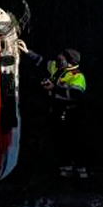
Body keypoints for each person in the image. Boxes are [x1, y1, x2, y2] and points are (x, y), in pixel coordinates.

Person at [18, 41, 88, 178]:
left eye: (62, 56)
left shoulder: (77, 76)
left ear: (69, 61)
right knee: (60, 142)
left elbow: (75, 94)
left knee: (74, 143)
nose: (58, 57)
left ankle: (81, 173)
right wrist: (27, 52)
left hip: (71, 115)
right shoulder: (58, 68)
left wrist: (54, 88)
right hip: (57, 112)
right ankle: (65, 171)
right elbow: (42, 62)